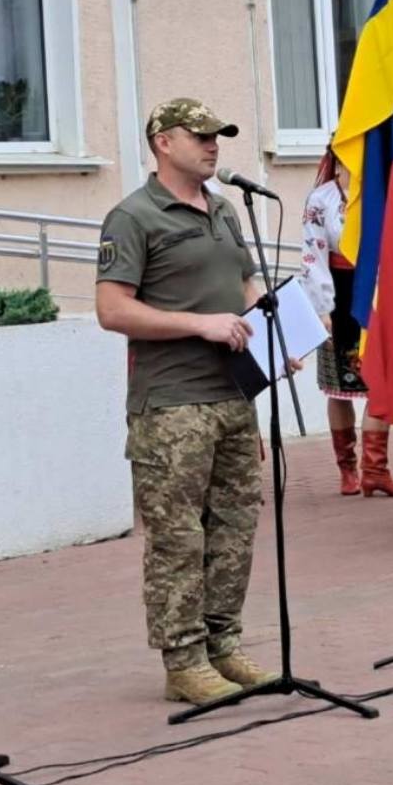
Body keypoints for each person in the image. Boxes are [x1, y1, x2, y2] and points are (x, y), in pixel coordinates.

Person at [95, 98, 281, 705]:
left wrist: (279, 337)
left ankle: (224, 644)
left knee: (234, 529)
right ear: (163, 142)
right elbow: (112, 309)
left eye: (218, 136)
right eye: (199, 136)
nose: (212, 146)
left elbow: (246, 284)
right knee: (179, 535)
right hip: (172, 404)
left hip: (233, 394)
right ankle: (183, 658)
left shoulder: (225, 210)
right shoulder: (134, 217)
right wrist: (199, 325)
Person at [299, 149, 393, 497]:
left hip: (377, 291)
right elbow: (313, 255)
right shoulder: (322, 199)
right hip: (338, 294)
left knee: (381, 382)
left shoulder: (380, 192)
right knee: (339, 386)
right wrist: (322, 308)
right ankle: (347, 469)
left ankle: (375, 469)